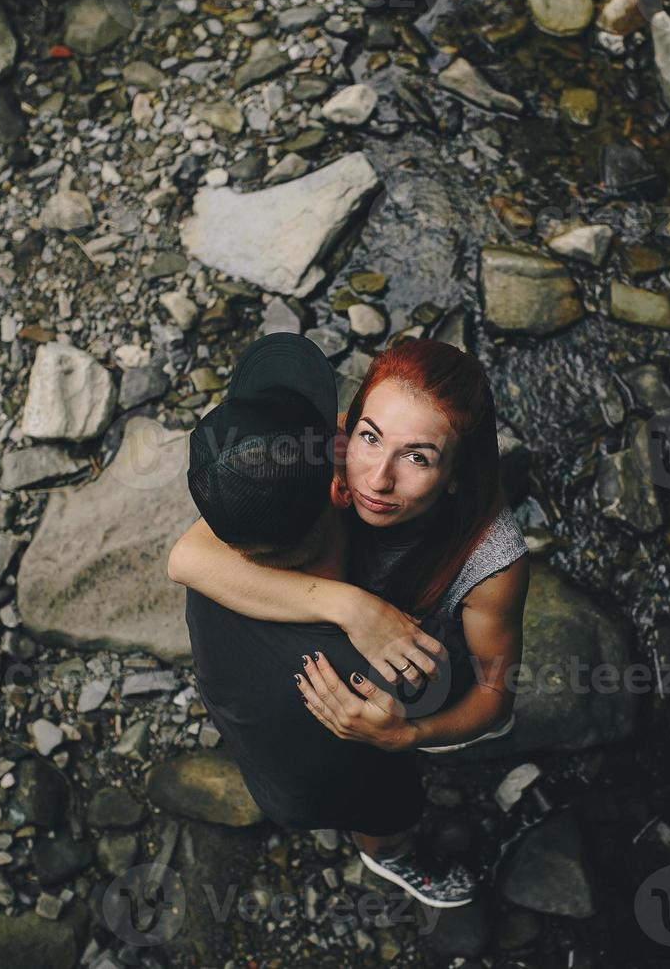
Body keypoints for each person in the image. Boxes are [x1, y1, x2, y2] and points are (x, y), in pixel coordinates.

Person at [169, 336, 531, 893]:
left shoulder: (493, 559)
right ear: (348, 430)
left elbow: (495, 693)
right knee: (373, 795)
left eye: (417, 457)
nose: (377, 480)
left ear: (458, 473)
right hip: (339, 664)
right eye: (370, 438)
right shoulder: (322, 450)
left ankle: (393, 835)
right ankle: (386, 853)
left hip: (423, 667)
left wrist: (411, 736)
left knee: (415, 724)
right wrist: (353, 607)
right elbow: (188, 556)